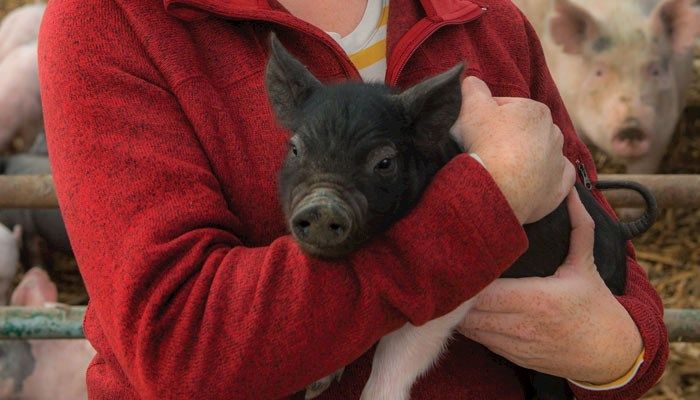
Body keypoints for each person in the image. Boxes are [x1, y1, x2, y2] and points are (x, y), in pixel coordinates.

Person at [37, 0, 668, 398]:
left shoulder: (483, 17)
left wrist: (613, 357)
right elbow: (181, 349)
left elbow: (620, 282)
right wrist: (491, 197)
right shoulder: (114, 21)